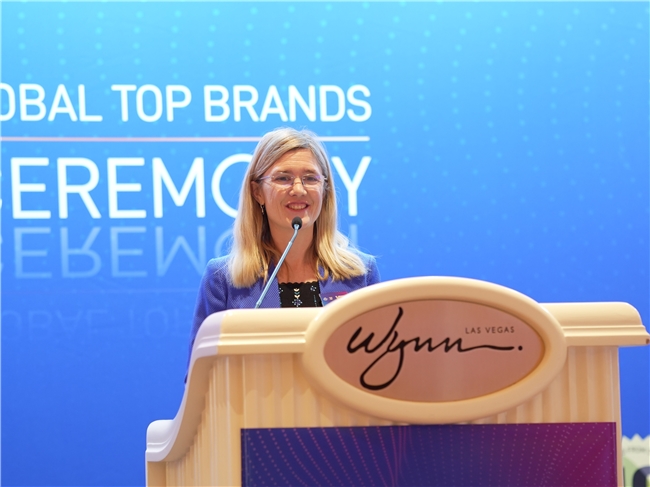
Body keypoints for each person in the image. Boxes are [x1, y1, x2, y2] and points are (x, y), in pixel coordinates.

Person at [188, 127, 379, 352]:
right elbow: (203, 368)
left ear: (325, 190)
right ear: (257, 192)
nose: (298, 189)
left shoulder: (361, 274)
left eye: (310, 178)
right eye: (283, 178)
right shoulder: (222, 280)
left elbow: (379, 362)